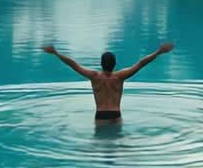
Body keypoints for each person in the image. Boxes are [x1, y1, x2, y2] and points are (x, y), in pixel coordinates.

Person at [43, 43, 175, 121]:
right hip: (115, 114)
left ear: (101, 64)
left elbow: (74, 65)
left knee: (99, 142)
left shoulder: (94, 76)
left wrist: (56, 53)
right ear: (115, 64)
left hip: (100, 114)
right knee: (117, 145)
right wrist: (158, 52)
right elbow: (141, 63)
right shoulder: (120, 76)